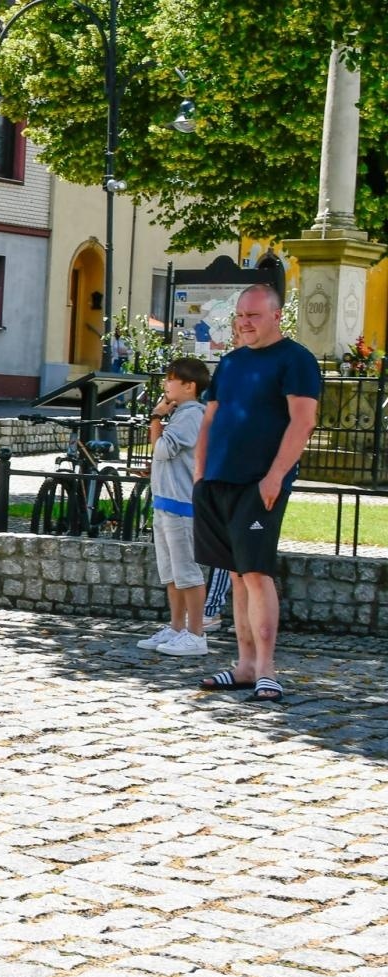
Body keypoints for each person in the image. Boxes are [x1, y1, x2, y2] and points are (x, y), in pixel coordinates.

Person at [192, 284, 321, 702]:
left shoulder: (296, 360)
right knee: (235, 574)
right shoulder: (229, 363)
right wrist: (200, 473)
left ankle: (267, 669)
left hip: (259, 482)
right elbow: (211, 420)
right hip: (218, 480)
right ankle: (244, 666)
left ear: (276, 316)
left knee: (256, 573)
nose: (244, 323)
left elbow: (302, 422)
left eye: (253, 316)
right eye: (240, 316)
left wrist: (276, 475)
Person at [135, 357, 211, 656]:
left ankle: (196, 633)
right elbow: (165, 456)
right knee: (171, 573)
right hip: (166, 501)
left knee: (187, 572)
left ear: (189, 386)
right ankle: (177, 626)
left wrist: (156, 417)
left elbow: (164, 449)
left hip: (182, 505)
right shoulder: (181, 414)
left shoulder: (192, 414)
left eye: (171, 379)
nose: (166, 385)